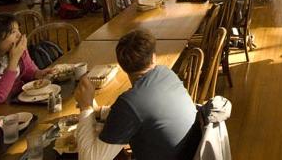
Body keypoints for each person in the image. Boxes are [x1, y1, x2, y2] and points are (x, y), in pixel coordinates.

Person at [74, 30, 201, 160]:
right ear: (153, 57)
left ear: (122, 66)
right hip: (192, 152)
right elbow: (142, 114)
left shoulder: (129, 103)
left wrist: (86, 108)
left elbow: (89, 158)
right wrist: (99, 111)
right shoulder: (166, 73)